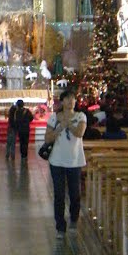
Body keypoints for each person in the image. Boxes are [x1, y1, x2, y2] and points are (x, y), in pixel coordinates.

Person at [44, 89, 87, 238]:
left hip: (75, 161)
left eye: (73, 98)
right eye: (67, 99)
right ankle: (60, 227)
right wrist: (60, 127)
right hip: (57, 160)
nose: (70, 101)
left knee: (75, 194)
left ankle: (74, 219)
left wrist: (69, 124)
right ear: (62, 102)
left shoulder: (81, 116)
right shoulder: (54, 117)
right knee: (59, 194)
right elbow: (47, 138)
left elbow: (80, 133)